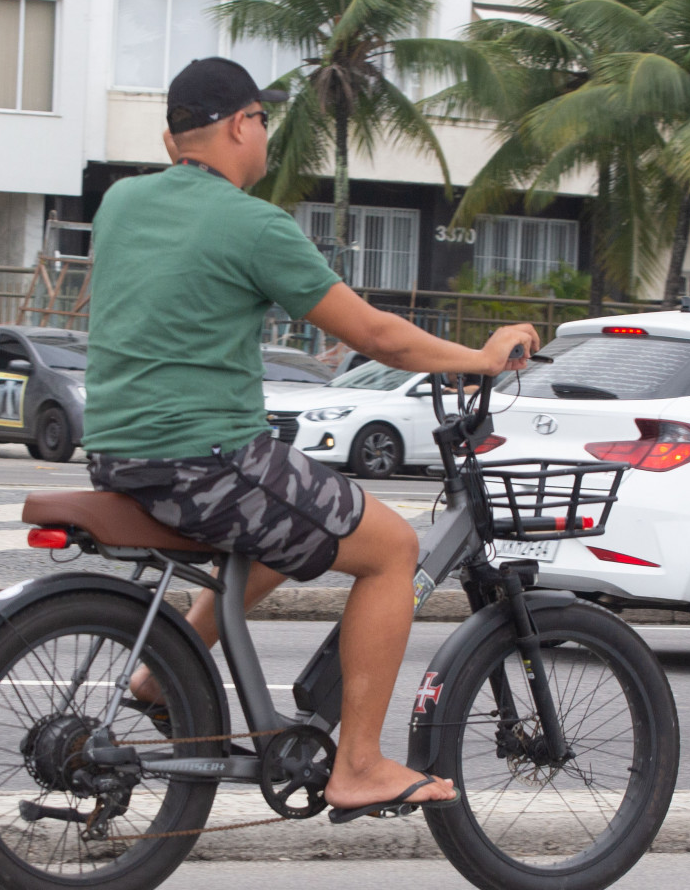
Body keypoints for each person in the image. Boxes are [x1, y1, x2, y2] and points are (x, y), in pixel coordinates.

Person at [83, 57, 540, 821]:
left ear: (172, 142)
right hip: (209, 459)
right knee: (392, 549)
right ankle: (358, 765)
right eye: (264, 121)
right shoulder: (254, 225)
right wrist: (483, 359)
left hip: (119, 453)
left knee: (281, 530)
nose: (265, 134)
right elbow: (375, 336)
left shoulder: (121, 204)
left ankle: (163, 674)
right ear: (242, 124)